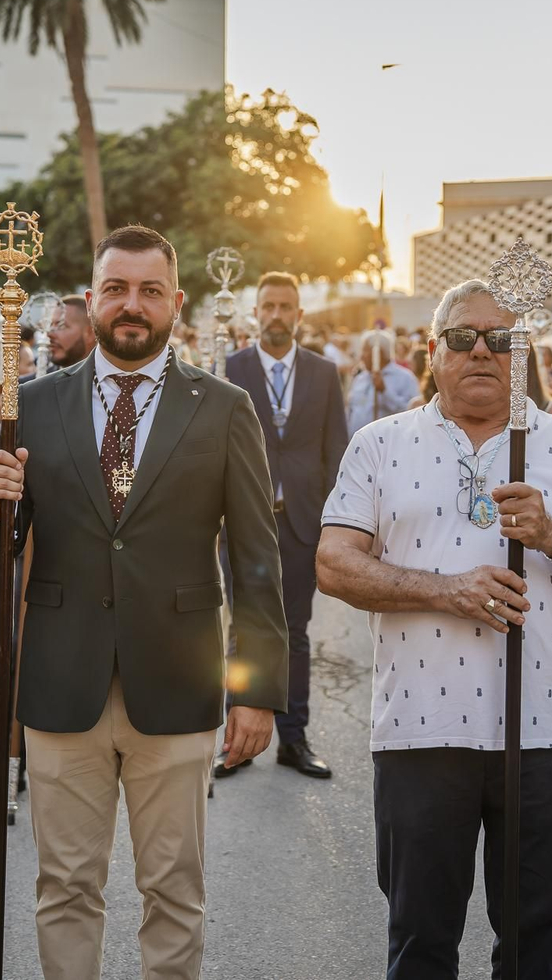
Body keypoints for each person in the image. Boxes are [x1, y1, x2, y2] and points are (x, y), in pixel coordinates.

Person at [0, 224, 287, 980]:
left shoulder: (223, 407)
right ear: (91, 299)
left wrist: (258, 691)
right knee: (65, 888)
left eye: (149, 290)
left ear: (175, 302)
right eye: (116, 289)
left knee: (174, 890)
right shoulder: (30, 405)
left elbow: (255, 559)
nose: (132, 305)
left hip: (178, 685)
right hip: (59, 684)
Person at [316, 278, 552, 978]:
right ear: (433, 351)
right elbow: (334, 565)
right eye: (463, 338)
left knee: (534, 949)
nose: (482, 351)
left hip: (546, 732)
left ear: (524, 354)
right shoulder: (380, 444)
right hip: (420, 733)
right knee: (420, 946)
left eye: (502, 338)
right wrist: (446, 590)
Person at [218, 271, 347, 781]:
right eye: (267, 305)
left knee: (295, 633)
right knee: (241, 633)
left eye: (285, 306)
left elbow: (335, 448)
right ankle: (237, 739)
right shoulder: (229, 368)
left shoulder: (323, 372)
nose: (275, 314)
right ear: (255, 312)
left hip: (300, 523)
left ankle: (293, 739)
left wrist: (337, 521)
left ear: (298, 314)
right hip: (243, 524)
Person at [347, 329, 417, 435]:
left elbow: (411, 414)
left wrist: (384, 391)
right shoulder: (360, 378)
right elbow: (350, 410)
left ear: (379, 352)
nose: (361, 356)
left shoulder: (405, 378)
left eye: (365, 351)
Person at [46, 293, 97, 369]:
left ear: (90, 332)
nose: (50, 334)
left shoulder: (111, 378)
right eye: (51, 325)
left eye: (61, 326)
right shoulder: (35, 379)